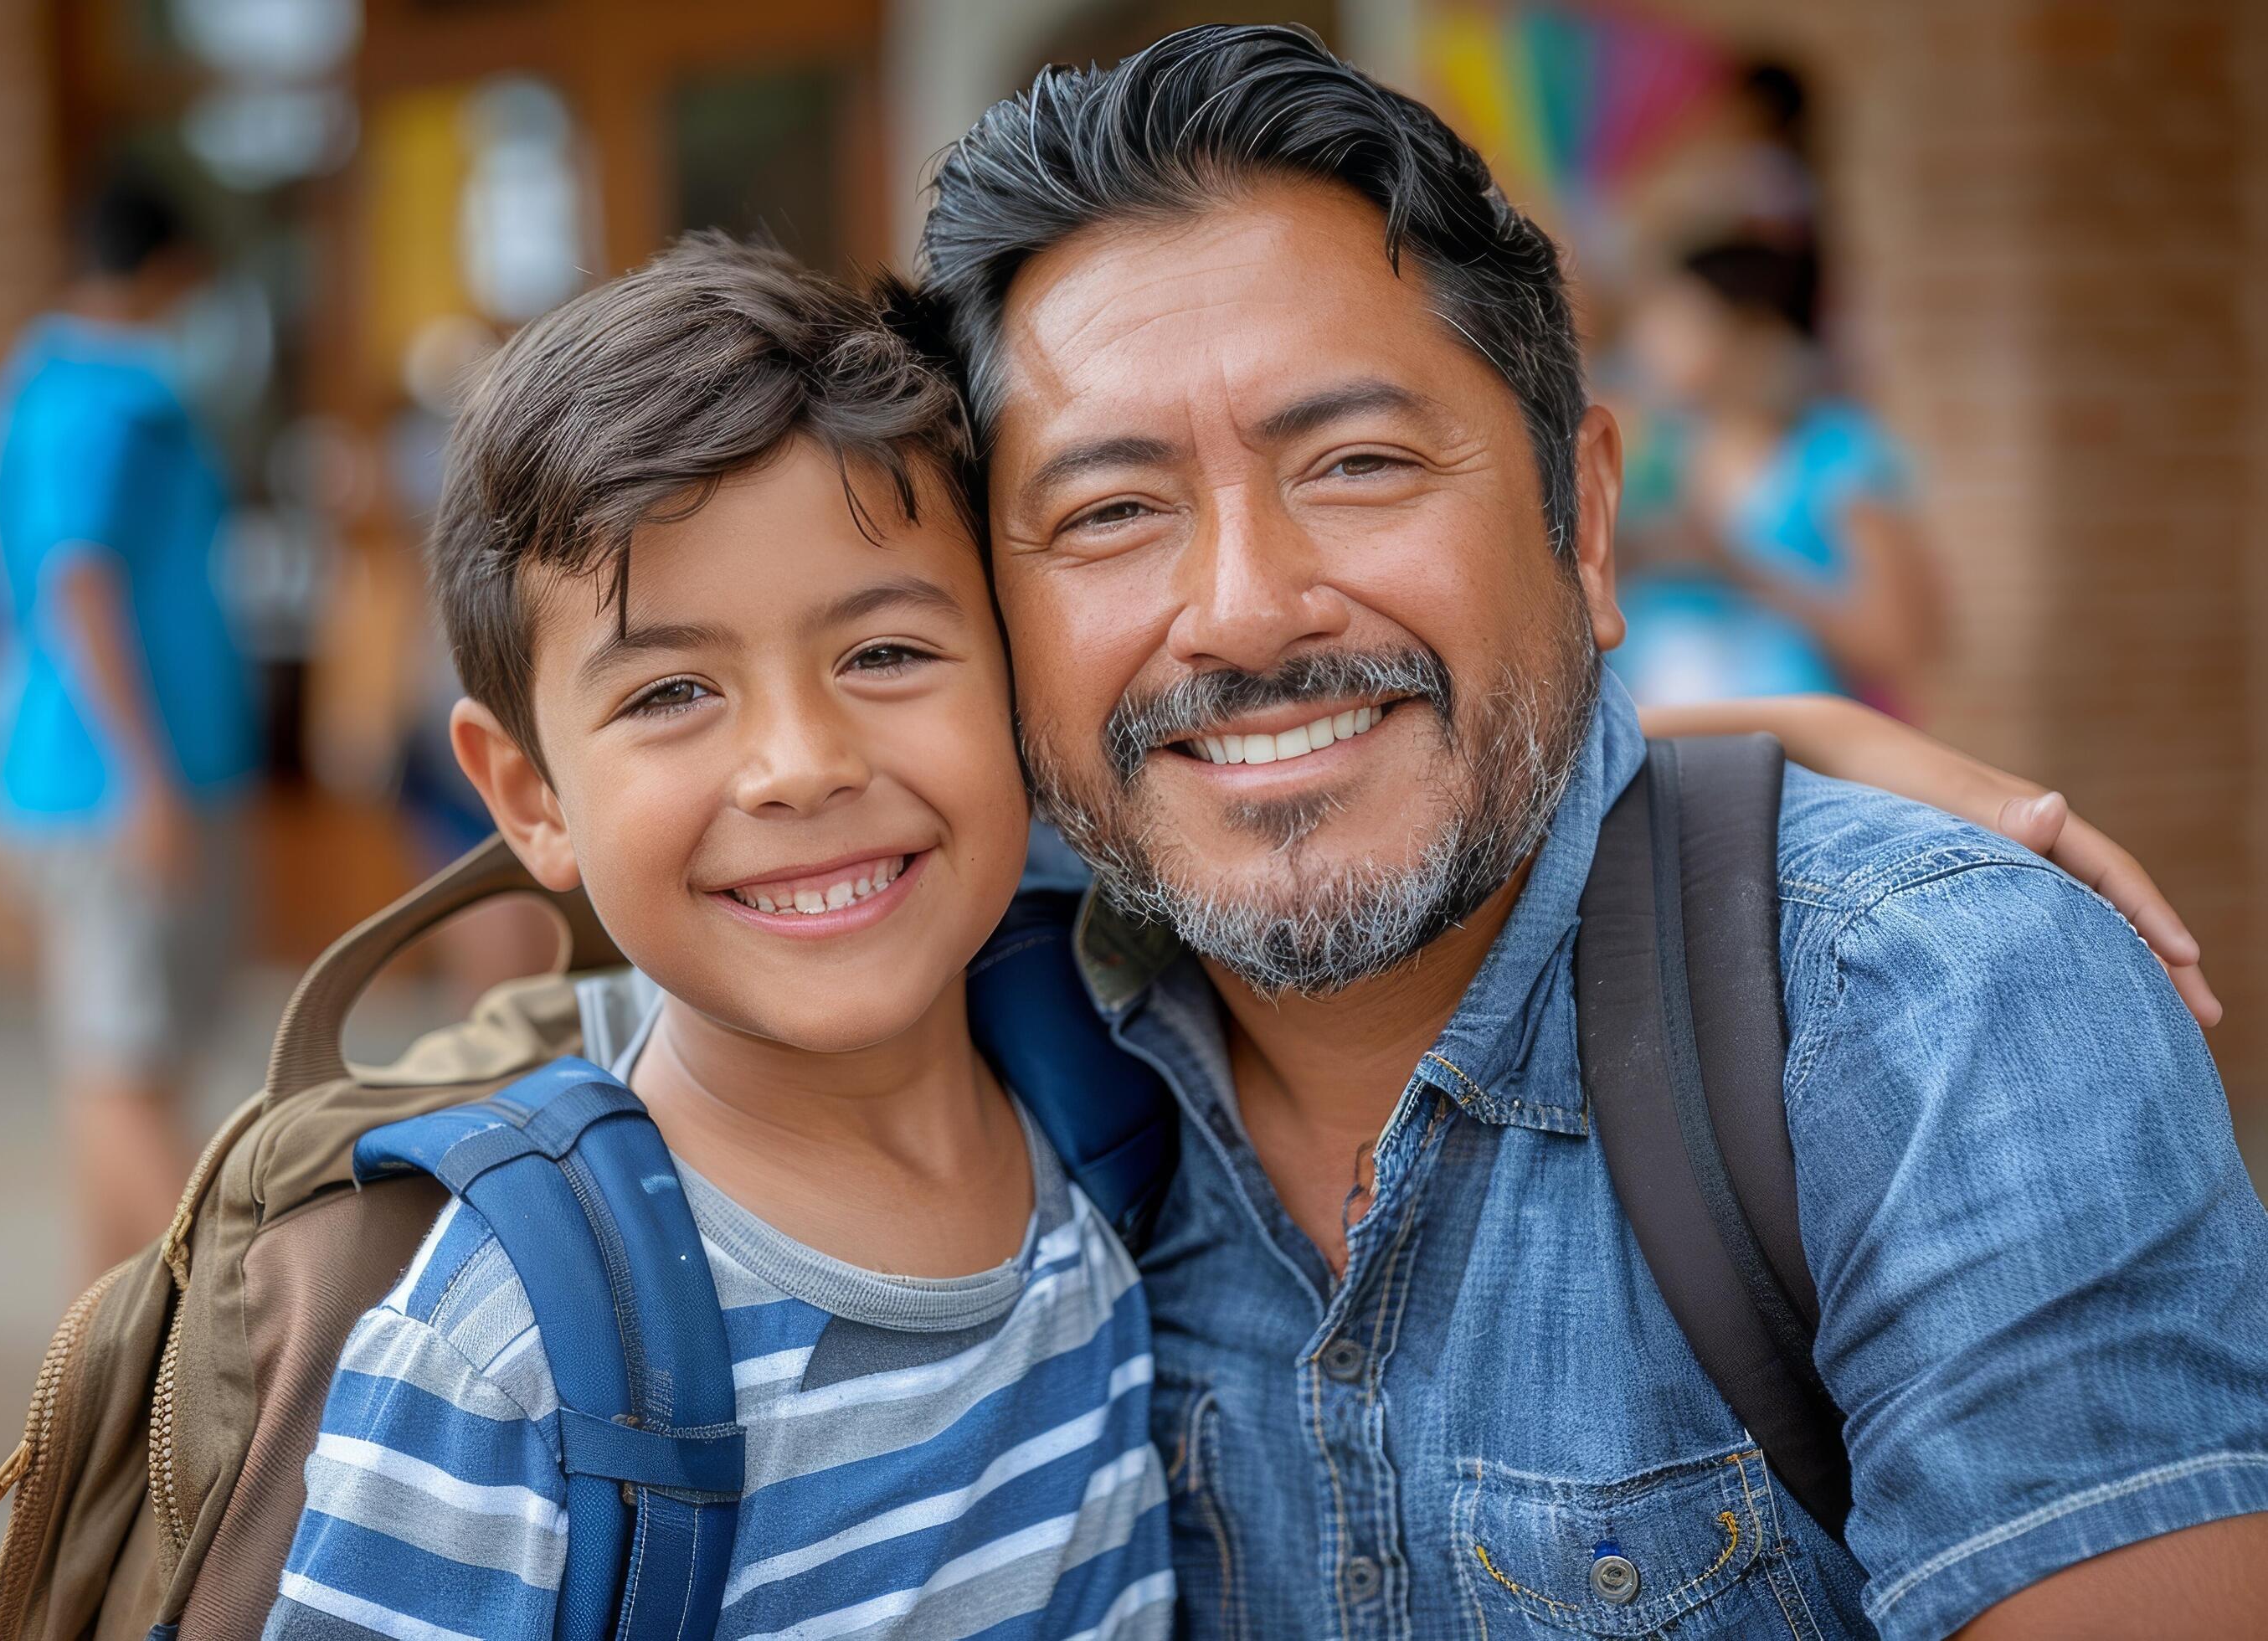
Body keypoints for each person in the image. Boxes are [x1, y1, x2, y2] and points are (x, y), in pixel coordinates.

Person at [914, 23, 2268, 1639]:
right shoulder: (953, 1020)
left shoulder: (1933, 1014)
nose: (1245, 611)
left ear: (1587, 521)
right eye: (1110, 512)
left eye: (1356, 465)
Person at [263, 238, 1172, 1639]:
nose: (799, 766)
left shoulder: (1109, 1102)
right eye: (674, 690)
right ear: (528, 797)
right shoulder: (512, 1350)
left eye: (884, 654)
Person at [0, 172, 257, 1274]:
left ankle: (102, 1372)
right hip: (115, 789)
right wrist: (144, 781)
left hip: (91, 780)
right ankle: (231, 1327)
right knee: (123, 1076)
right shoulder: (105, 401)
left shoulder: (52, 386)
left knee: (117, 1070)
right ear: (165, 272)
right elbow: (77, 580)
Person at [1614, 238, 1943, 713]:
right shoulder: (1656, 455)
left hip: (1800, 759)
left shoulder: (1834, 456)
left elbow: (1900, 641)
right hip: (1664, 752)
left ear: (1751, 329)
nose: (1648, 341)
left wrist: (1739, 569)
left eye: (1677, 319)